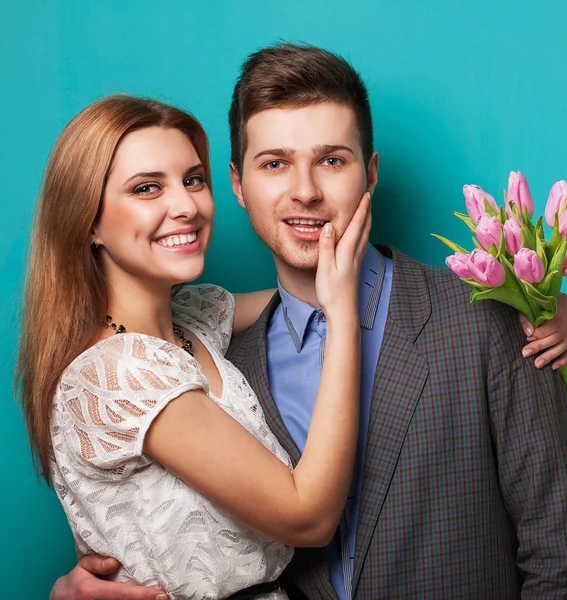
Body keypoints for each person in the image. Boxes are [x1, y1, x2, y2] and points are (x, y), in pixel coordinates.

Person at [48, 44, 567, 600]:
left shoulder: (485, 322)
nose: (306, 191)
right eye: (275, 163)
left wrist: (536, 300)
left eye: (332, 160)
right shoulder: (224, 363)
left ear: (371, 172)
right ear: (239, 184)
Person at [18, 94, 373, 599]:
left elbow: (301, 294)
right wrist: (341, 316)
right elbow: (307, 516)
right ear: (89, 222)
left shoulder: (193, 317)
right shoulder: (118, 373)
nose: (185, 206)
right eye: (146, 189)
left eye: (192, 180)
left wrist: (507, 294)